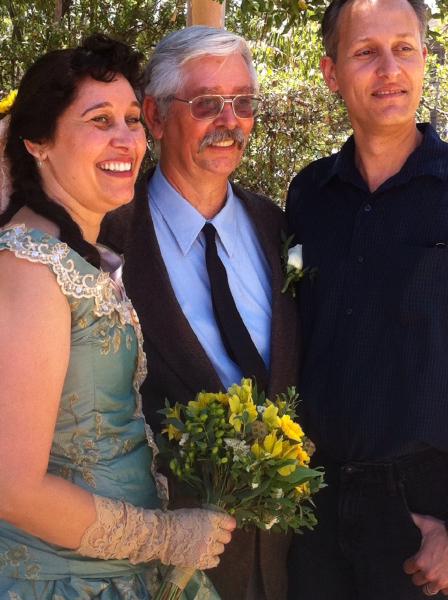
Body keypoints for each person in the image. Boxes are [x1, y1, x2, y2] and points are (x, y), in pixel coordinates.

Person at [0, 34, 236, 599]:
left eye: (132, 119)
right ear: (37, 142)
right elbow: (13, 488)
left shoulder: (76, 251)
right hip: (65, 580)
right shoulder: (29, 267)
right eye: (99, 119)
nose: (126, 138)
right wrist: (166, 537)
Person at [100, 26, 299, 600]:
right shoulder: (103, 238)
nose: (229, 120)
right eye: (207, 103)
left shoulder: (280, 228)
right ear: (155, 117)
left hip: (286, 565)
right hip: (159, 567)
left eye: (243, 103)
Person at [286, 0, 448, 598]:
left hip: (425, 516)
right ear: (331, 72)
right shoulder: (309, 195)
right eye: (365, 52)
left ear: (425, 59)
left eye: (404, 48)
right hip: (312, 507)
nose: (389, 69)